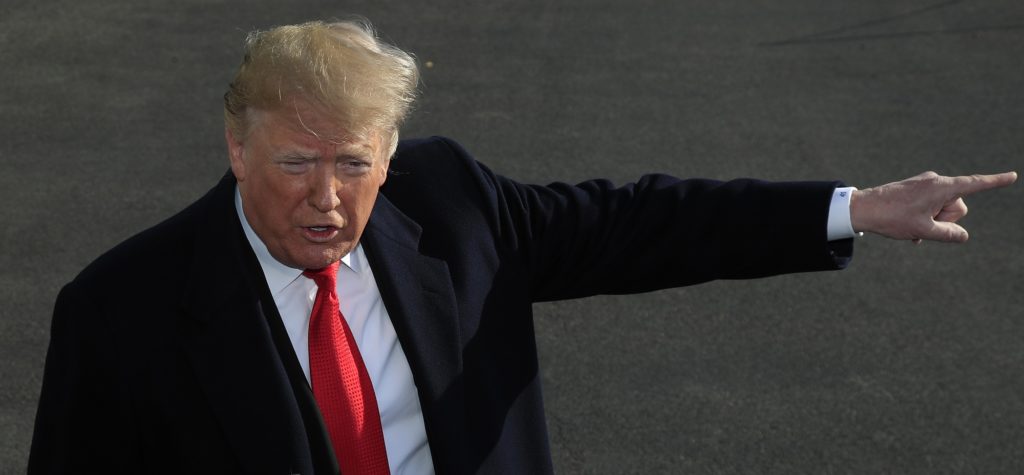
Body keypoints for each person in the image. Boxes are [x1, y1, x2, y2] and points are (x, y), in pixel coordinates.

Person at [28, 19, 1016, 475]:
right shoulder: (121, 311)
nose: (327, 199)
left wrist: (851, 207)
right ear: (234, 145)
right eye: (294, 163)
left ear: (390, 156)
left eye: (354, 164)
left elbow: (638, 221)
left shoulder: (449, 202)